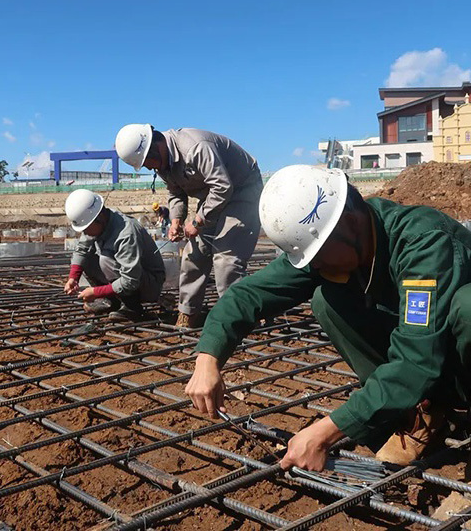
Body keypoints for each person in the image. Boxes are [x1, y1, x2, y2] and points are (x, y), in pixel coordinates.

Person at [184, 164, 471, 468]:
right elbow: (247, 295)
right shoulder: (330, 244)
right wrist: (208, 358)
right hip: (426, 349)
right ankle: (418, 411)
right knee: (327, 299)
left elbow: (416, 359)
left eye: (318, 255)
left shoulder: (423, 243)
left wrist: (326, 432)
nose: (316, 265)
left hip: (454, 352)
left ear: (350, 222)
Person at [115, 124, 263, 328]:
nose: (150, 168)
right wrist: (176, 220)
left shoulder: (196, 148)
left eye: (149, 163)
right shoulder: (163, 163)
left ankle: (241, 318)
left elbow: (222, 187)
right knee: (193, 255)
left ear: (156, 147)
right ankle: (188, 313)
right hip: (213, 197)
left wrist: (197, 221)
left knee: (226, 260)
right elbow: (176, 193)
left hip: (242, 190)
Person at [64, 189, 165, 322]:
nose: (85, 232)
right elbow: (82, 249)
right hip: (129, 279)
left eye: (86, 228)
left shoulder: (126, 233)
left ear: (99, 218)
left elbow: (130, 280)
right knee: (87, 259)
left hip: (149, 284)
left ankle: (132, 306)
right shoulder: (99, 221)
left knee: (105, 259)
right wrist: (73, 278)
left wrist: (96, 292)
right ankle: (112, 301)